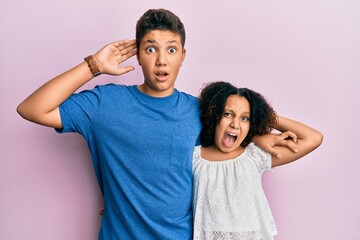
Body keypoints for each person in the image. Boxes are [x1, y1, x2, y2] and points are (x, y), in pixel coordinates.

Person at [17, 9, 297, 240]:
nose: (161, 60)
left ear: (183, 57)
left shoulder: (199, 110)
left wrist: (258, 137)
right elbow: (31, 109)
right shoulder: (104, 103)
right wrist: (94, 66)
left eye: (171, 50)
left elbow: (230, 143)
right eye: (150, 49)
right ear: (138, 54)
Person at [192, 81, 323, 240]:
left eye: (245, 118)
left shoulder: (254, 155)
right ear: (214, 116)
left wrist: (265, 118)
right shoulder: (194, 158)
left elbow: (313, 138)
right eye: (227, 114)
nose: (235, 124)